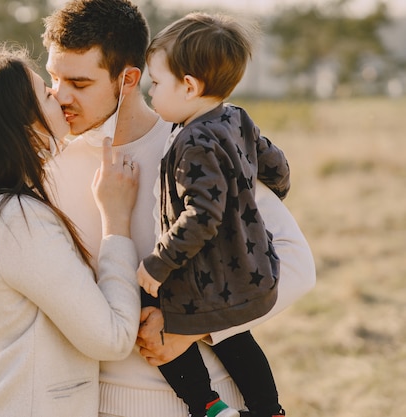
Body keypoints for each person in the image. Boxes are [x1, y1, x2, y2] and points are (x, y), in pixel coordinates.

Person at [0, 1, 316, 416]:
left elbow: (295, 264)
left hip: (206, 403)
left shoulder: (197, 146)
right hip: (93, 404)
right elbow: (17, 276)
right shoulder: (47, 165)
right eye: (54, 78)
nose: (60, 95)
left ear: (128, 79)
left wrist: (190, 326)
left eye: (79, 82)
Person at [0, 43, 143, 417]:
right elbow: (111, 339)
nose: (59, 96)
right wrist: (116, 222)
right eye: (46, 93)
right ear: (22, 126)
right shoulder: (16, 218)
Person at [136, 12, 289, 417]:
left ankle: (206, 406)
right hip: (248, 272)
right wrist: (268, 194)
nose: (151, 93)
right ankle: (267, 409)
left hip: (206, 276)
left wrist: (158, 262)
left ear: (188, 86)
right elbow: (276, 165)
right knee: (236, 337)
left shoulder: (192, 141)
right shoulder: (237, 118)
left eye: (156, 83)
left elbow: (202, 215)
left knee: (150, 308)